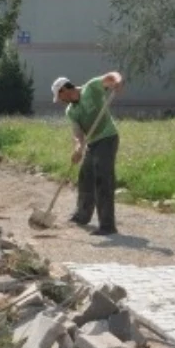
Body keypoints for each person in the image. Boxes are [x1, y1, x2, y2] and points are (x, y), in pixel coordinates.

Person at [51, 71, 124, 236]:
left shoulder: (91, 88)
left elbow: (111, 76)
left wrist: (117, 81)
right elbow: (77, 133)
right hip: (92, 143)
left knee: (102, 178)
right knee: (85, 177)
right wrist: (78, 147)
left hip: (108, 137)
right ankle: (82, 216)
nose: (60, 101)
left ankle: (107, 225)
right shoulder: (71, 110)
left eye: (60, 97)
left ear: (64, 90)